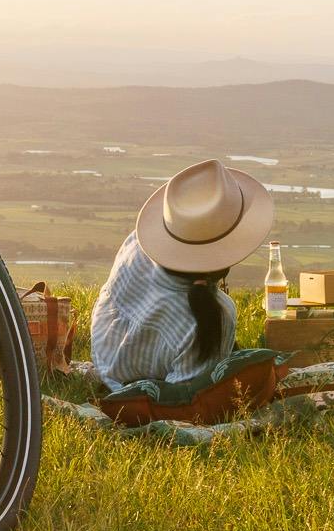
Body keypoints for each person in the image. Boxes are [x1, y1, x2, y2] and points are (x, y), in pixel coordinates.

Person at [91, 159, 274, 387]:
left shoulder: (137, 243)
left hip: (103, 354)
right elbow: (187, 392)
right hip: (139, 385)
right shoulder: (215, 317)